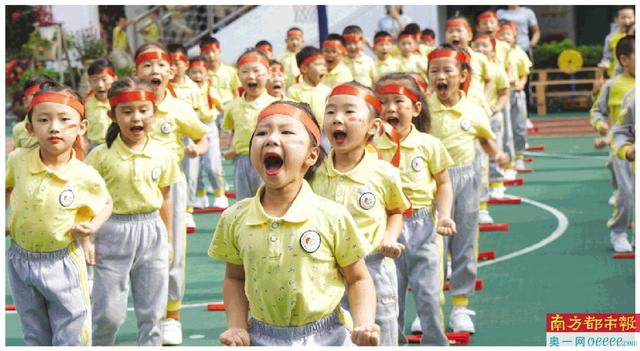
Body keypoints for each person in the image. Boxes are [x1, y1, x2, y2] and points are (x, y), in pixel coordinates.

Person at [209, 100, 380, 346]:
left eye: (287, 132)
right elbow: (235, 278)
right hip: (261, 337)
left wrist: (363, 323)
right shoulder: (234, 217)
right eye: (262, 133)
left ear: (311, 155)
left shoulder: (331, 215)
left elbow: (358, 278)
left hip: (328, 337)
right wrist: (237, 326)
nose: (271, 139)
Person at [6, 81, 112, 346]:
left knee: (71, 331)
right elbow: (7, 187)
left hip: (63, 262)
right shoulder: (17, 160)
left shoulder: (84, 175)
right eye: (43, 119)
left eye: (65, 119)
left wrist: (93, 226)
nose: (54, 127)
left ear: (81, 127)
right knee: (34, 332)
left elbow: (106, 202)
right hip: (20, 259)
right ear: (29, 128)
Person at [310, 82, 411, 345]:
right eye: (330, 112)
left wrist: (389, 237)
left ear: (374, 127)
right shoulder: (313, 171)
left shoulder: (383, 172)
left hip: (373, 266)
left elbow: (396, 211)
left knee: (379, 335)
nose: (337, 119)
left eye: (348, 112)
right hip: (326, 272)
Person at [86, 77, 181, 346]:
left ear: (154, 111)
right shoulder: (100, 155)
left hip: (152, 232)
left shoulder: (163, 154)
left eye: (143, 110)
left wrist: (170, 241)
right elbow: (88, 200)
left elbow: (165, 199)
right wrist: (87, 240)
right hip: (112, 232)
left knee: (153, 313)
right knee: (108, 314)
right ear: (112, 115)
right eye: (126, 111)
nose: (136, 117)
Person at [132, 42, 209, 345]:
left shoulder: (177, 108)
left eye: (161, 65)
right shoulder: (131, 106)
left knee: (171, 249)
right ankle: (148, 315)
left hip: (171, 186)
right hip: (134, 186)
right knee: (137, 253)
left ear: (171, 70)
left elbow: (202, 137)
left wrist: (195, 149)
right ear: (137, 71)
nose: (155, 71)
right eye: (147, 66)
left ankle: (173, 316)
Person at [427, 45, 508, 333]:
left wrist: (498, 155)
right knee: (433, 248)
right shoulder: (423, 110)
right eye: (434, 71)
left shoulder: (473, 108)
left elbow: (485, 140)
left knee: (464, 244)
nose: (441, 76)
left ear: (462, 76)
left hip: (467, 178)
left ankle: (460, 306)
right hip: (433, 182)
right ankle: (430, 307)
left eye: (448, 70)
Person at [375, 73, 456, 345]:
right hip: (385, 228)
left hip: (423, 225)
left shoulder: (429, 144)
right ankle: (393, 342)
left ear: (417, 108)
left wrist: (444, 215)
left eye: (399, 101)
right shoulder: (371, 147)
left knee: (430, 294)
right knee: (388, 297)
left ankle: (435, 342)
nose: (390, 108)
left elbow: (444, 183)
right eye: (382, 102)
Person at [590, 35, 635, 253]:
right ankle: (618, 232)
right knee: (626, 195)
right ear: (624, 59)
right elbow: (597, 111)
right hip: (622, 149)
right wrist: (600, 125)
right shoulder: (613, 85)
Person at [221, 49, 277, 200]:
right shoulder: (232, 106)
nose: (251, 76)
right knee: (243, 202)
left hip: (268, 158)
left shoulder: (275, 105)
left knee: (268, 199)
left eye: (257, 71)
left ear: (268, 74)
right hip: (242, 160)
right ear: (238, 75)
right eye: (245, 71)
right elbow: (233, 131)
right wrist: (232, 147)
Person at [198, 36, 239, 208]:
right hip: (209, 114)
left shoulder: (229, 71)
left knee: (230, 145)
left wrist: (235, 110)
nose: (211, 55)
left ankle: (222, 182)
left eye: (213, 51)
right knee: (208, 154)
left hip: (227, 108)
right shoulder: (199, 72)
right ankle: (209, 186)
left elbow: (236, 93)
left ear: (219, 51)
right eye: (206, 52)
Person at [168, 43, 204, 232]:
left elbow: (197, 113)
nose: (174, 66)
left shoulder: (192, 87)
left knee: (190, 173)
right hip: (170, 135)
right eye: (171, 62)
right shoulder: (163, 86)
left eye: (178, 62)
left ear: (186, 64)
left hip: (188, 135)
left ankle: (188, 210)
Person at [472, 33, 510, 200]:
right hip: (473, 116)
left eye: (485, 46)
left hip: (491, 116)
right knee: (477, 157)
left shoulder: (496, 70)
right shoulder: (470, 66)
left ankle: (497, 183)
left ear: (493, 51)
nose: (481, 49)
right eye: (477, 45)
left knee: (494, 148)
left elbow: (504, 92)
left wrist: (497, 107)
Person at [187, 57, 228, 210]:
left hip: (208, 126)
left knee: (212, 164)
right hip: (191, 127)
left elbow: (221, 107)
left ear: (206, 74)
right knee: (193, 166)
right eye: (193, 72)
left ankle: (219, 193)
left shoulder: (211, 89)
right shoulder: (187, 90)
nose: (197, 76)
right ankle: (199, 194)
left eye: (200, 72)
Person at [497, 22, 532, 175]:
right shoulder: (496, 52)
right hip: (501, 93)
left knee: (518, 126)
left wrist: (521, 85)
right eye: (502, 34)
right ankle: (507, 161)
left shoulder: (519, 52)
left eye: (508, 34)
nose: (505, 37)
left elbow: (525, 73)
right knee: (505, 130)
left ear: (514, 36)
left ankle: (519, 156)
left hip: (516, 93)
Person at [286, 46, 332, 140]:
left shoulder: (327, 90)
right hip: (304, 134)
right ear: (304, 69)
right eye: (319, 64)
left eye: (324, 65)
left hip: (326, 133)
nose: (323, 68)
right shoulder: (293, 91)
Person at [12, 75, 54, 149]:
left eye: (45, 94)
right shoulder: (18, 129)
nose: (40, 98)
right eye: (34, 94)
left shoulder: (59, 126)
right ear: (25, 101)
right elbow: (15, 156)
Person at [85, 59, 118, 149]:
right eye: (95, 80)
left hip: (117, 146)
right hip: (94, 147)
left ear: (114, 79)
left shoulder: (120, 102)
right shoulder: (86, 104)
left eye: (104, 79)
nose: (100, 85)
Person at [598, 6, 635, 78]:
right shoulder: (610, 38)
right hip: (616, 76)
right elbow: (607, 58)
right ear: (616, 20)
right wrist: (602, 68)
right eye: (623, 18)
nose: (627, 21)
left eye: (630, 17)